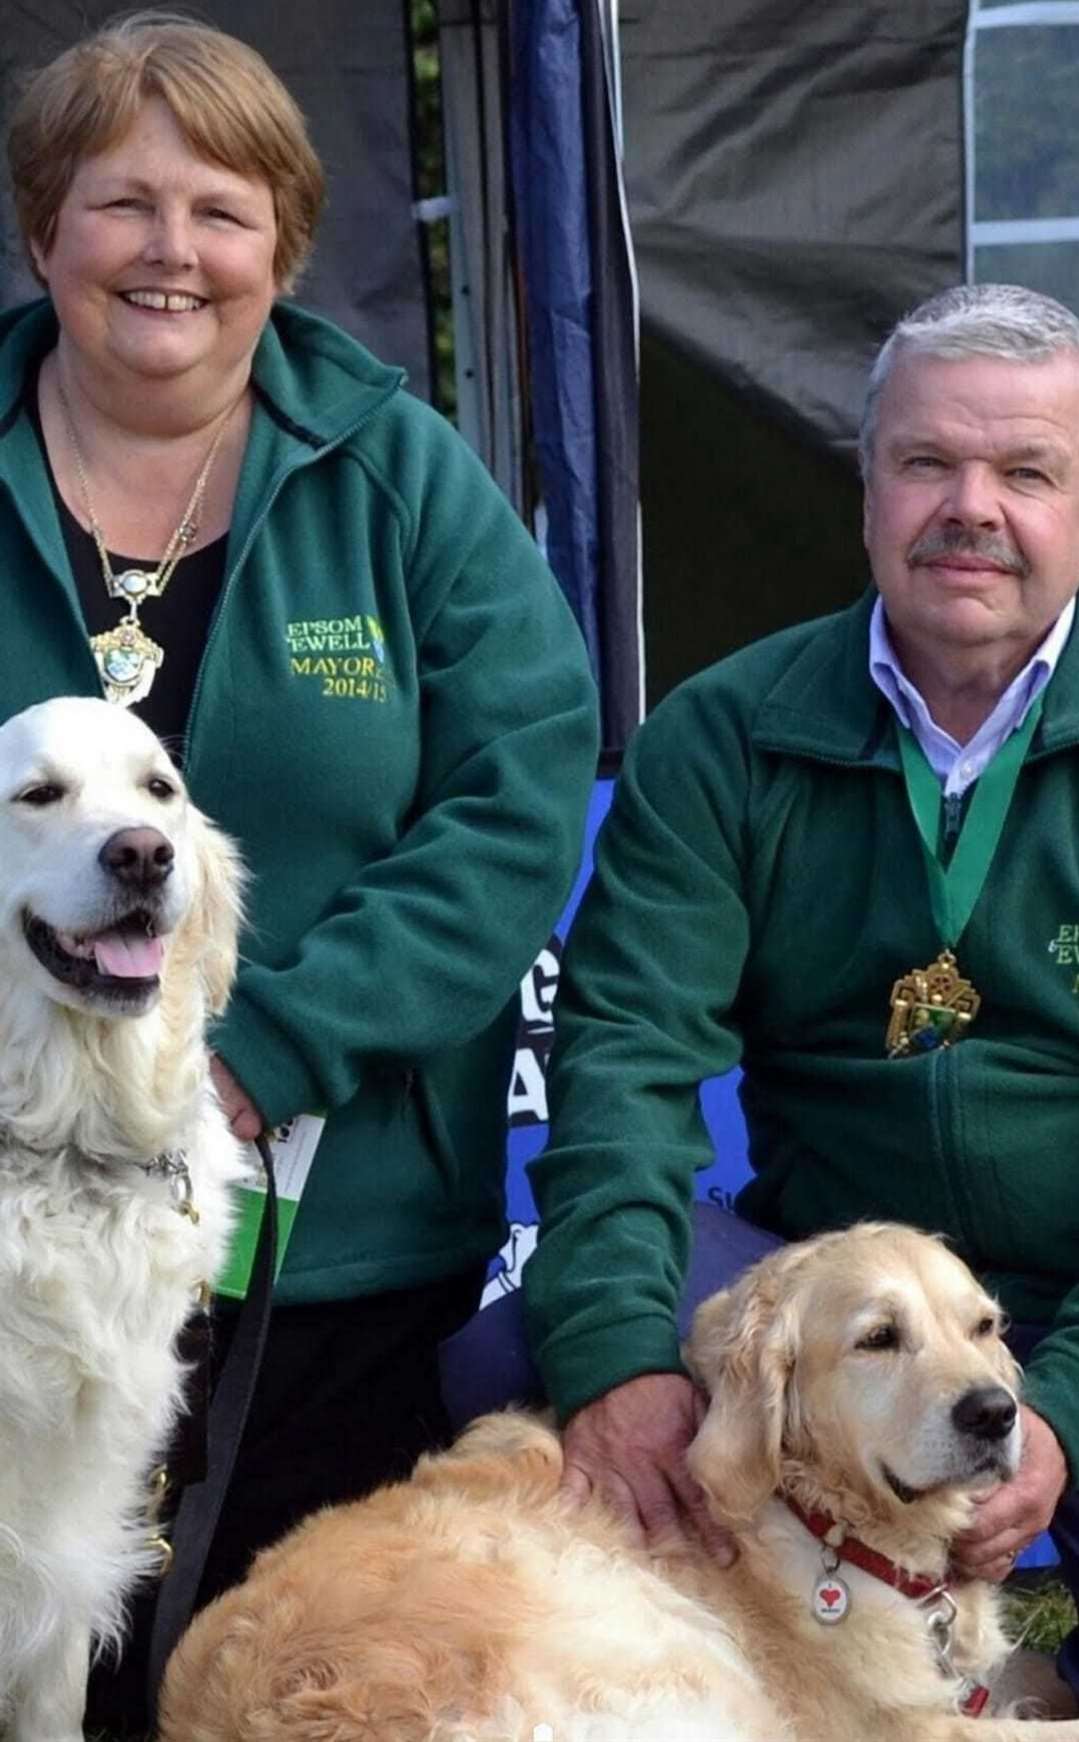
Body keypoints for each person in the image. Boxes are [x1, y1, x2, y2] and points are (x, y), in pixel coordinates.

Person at [1, 10, 598, 1729]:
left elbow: (514, 792)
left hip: (336, 1245)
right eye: (121, 204)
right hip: (11, 1236)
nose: (170, 251)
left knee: (306, 1682)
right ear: (44, 230)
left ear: (286, 246)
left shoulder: (403, 474)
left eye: (223, 208)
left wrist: (260, 1056)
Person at [524, 281, 1079, 1706]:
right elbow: (629, 1063)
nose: (973, 506)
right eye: (927, 463)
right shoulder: (725, 733)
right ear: (868, 487)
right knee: (500, 1380)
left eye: (1026, 471)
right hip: (834, 1285)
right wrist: (613, 1362)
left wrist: (1062, 1405)